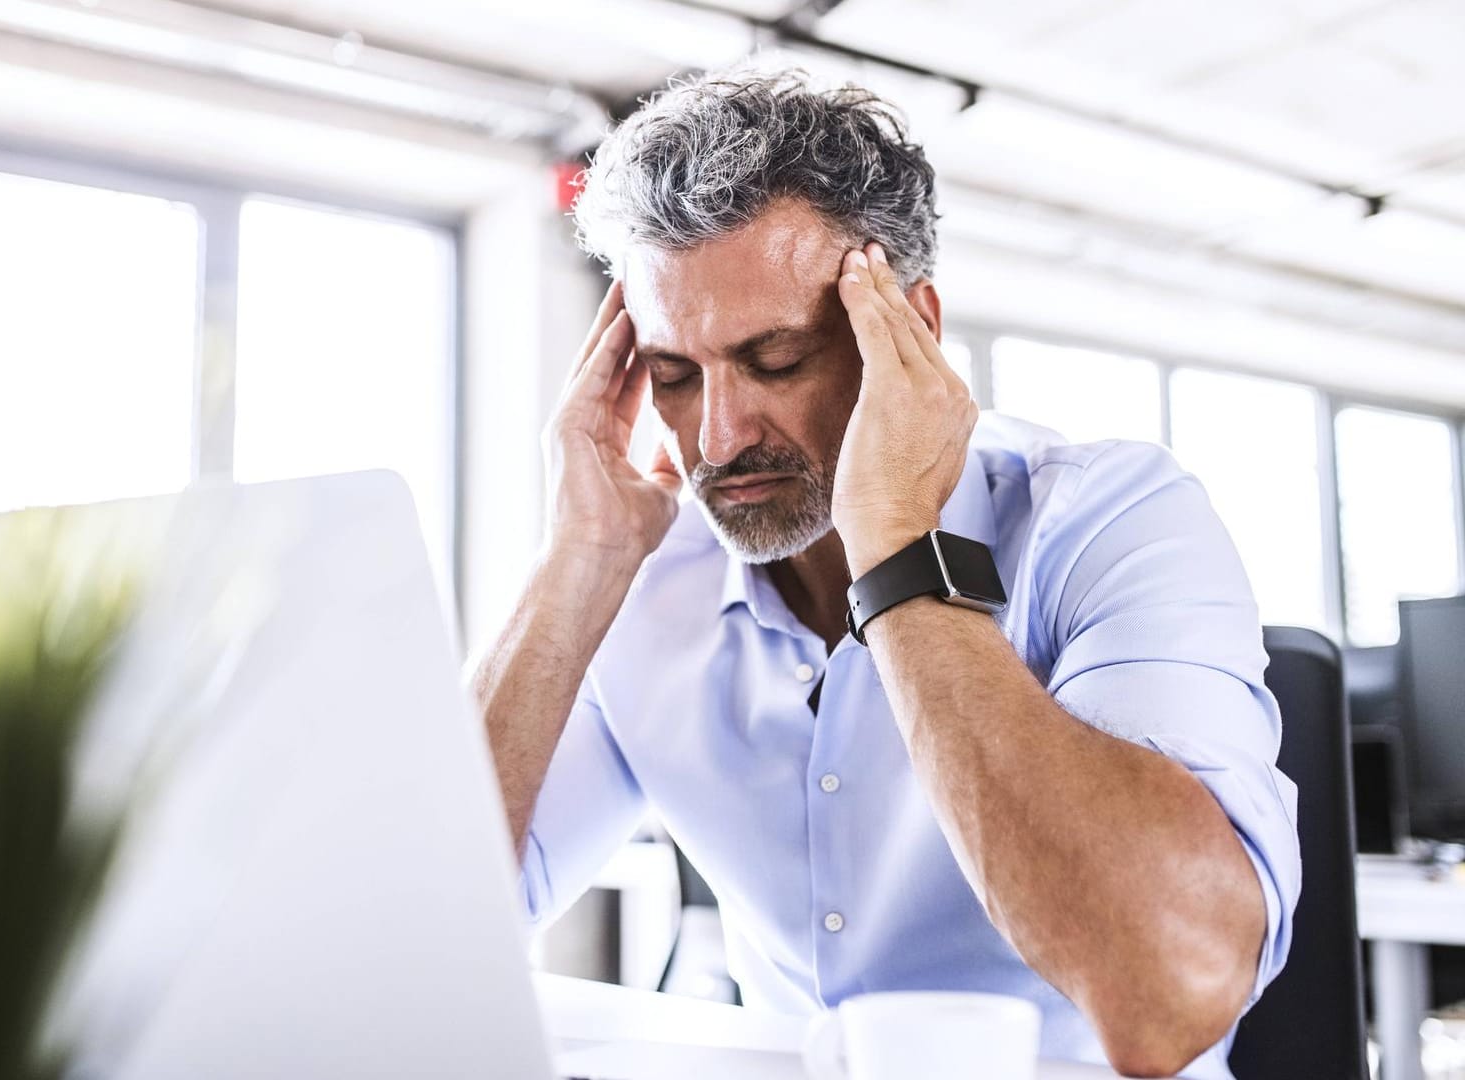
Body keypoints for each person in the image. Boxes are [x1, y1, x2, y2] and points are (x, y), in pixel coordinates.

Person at [469, 66, 1300, 1079]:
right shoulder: (645, 578)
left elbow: (1168, 1000)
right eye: (676, 376)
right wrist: (578, 563)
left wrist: (899, 550)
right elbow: (412, 925)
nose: (719, 437)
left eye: (776, 360)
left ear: (913, 333)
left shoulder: (1111, 520)